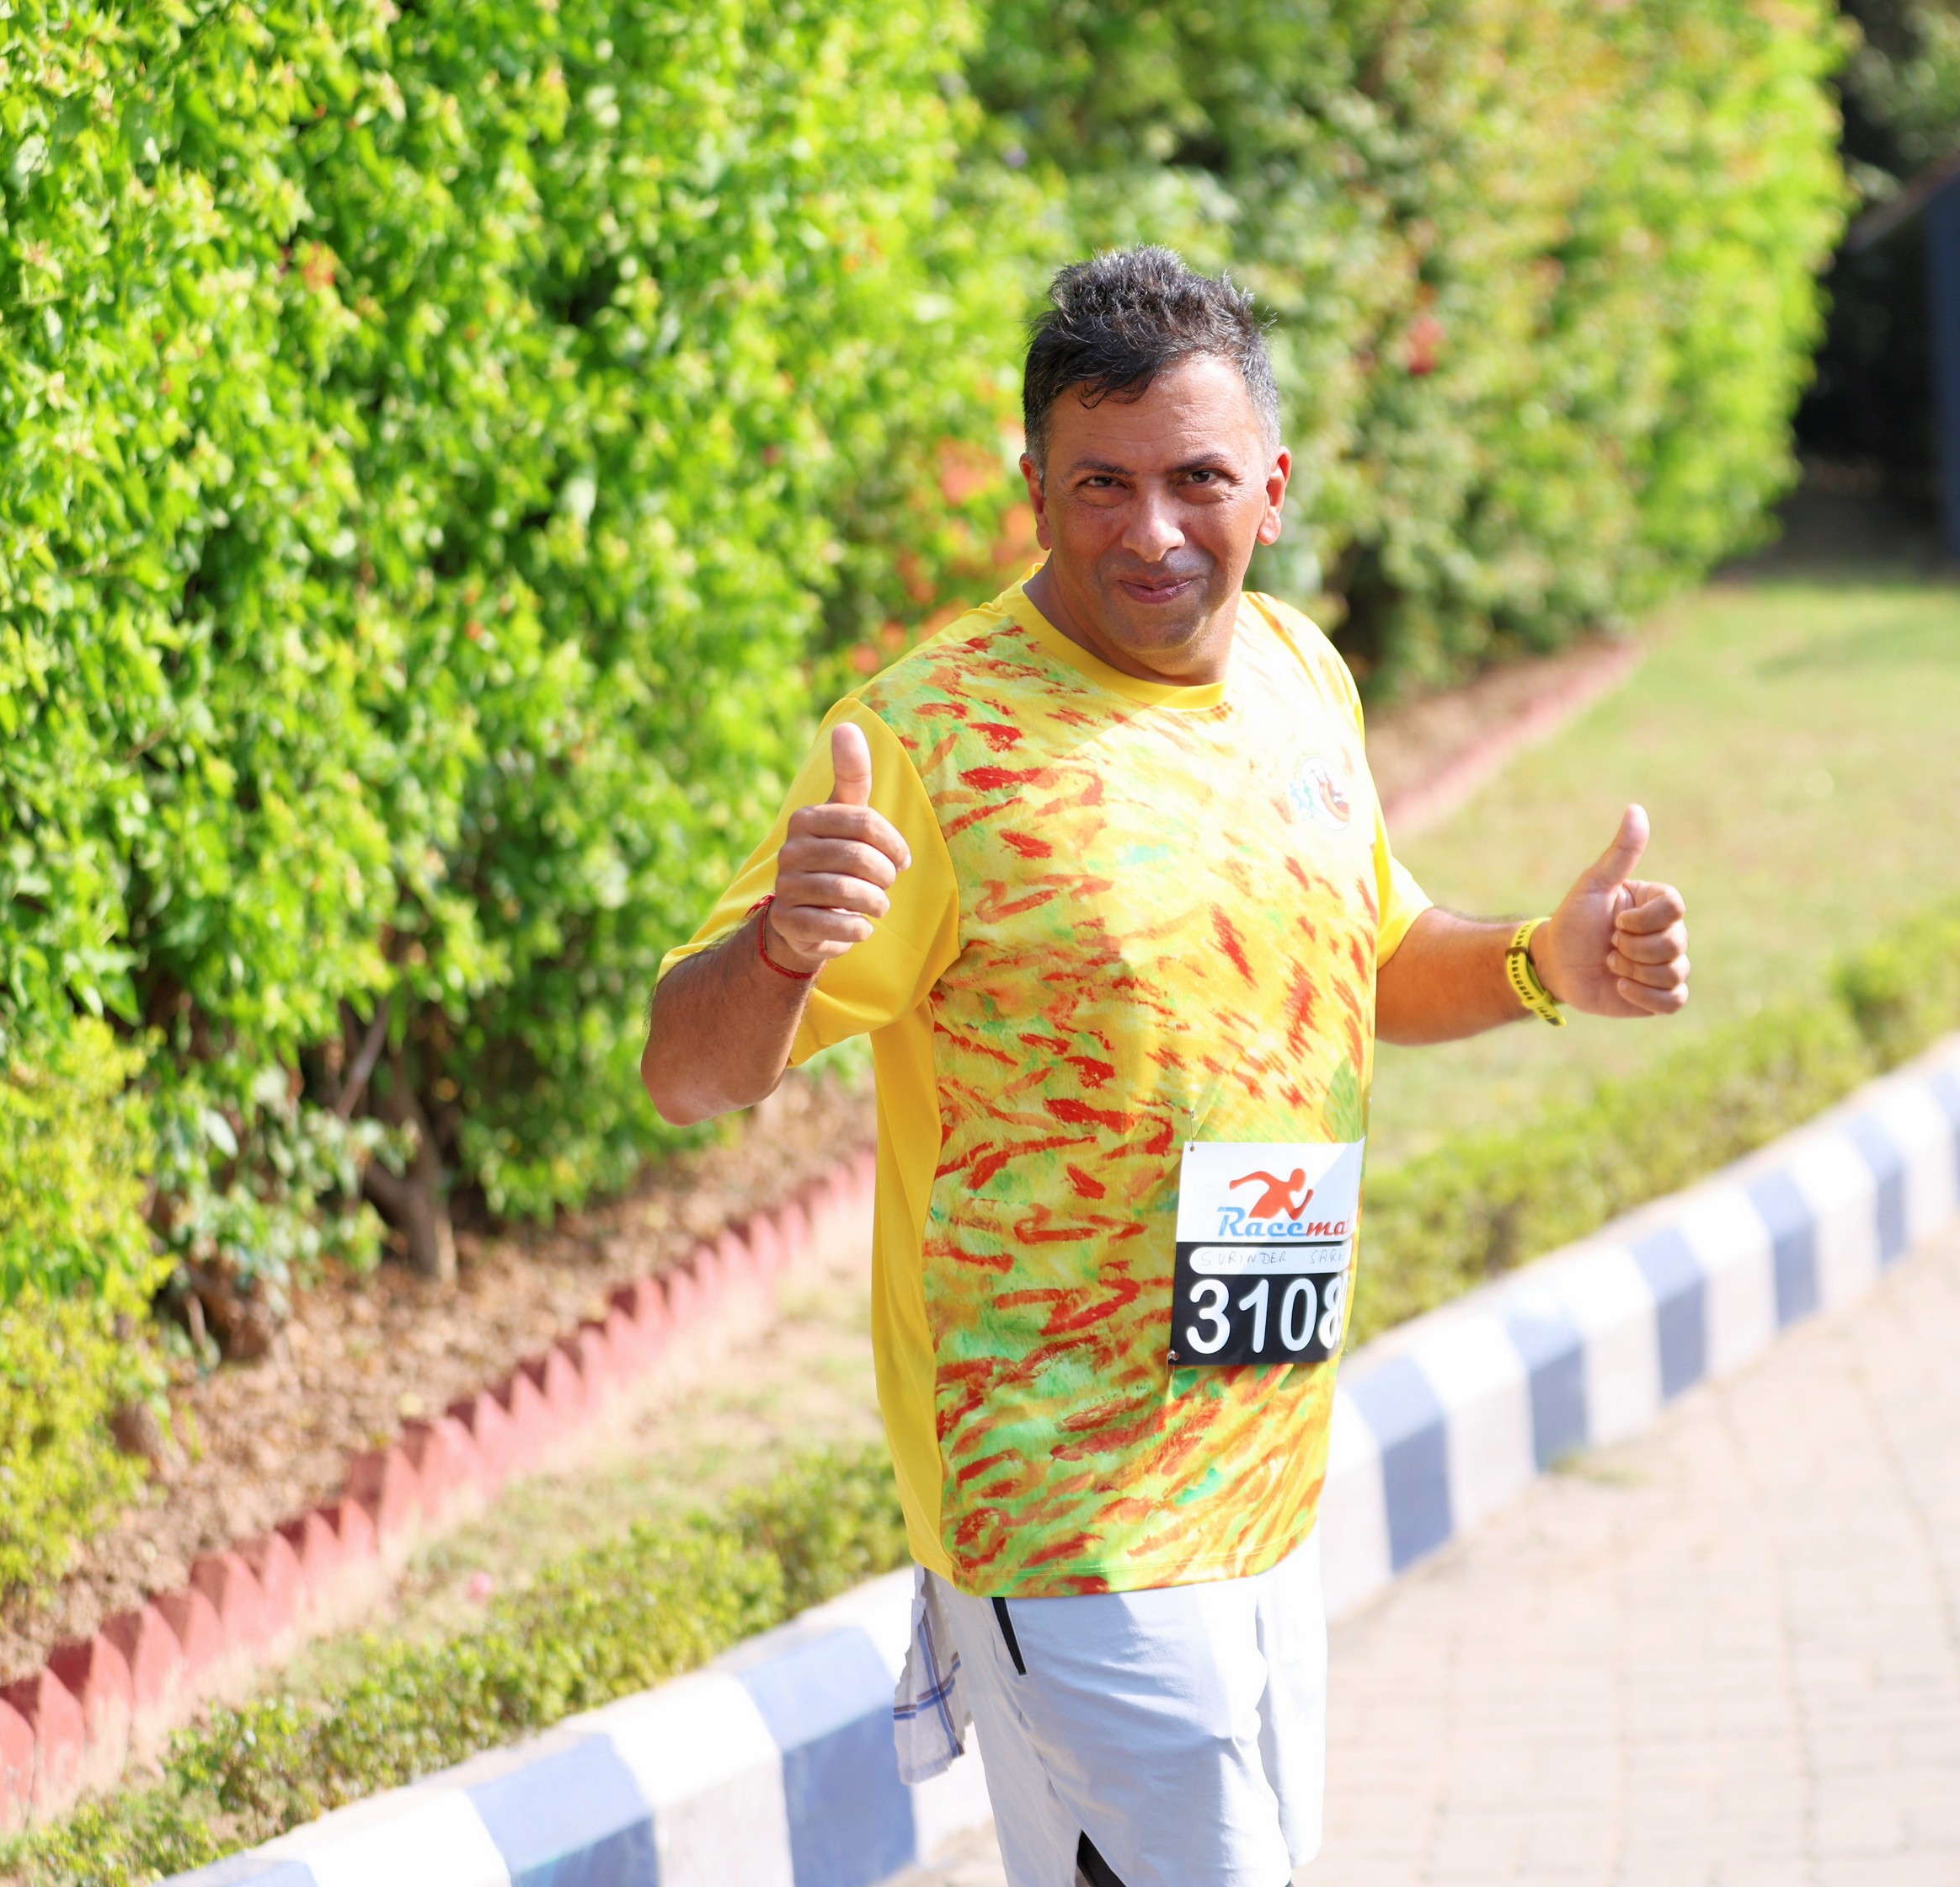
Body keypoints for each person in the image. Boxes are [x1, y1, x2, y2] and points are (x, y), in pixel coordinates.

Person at [640, 246, 1690, 1887]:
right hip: (1058, 1506)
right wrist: (781, 944)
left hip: (1263, 1480)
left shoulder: (1297, 675)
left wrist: (1537, 965)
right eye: (1100, 484)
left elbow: (1359, 961)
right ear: (1034, 491)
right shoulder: (931, 744)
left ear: (1271, 485)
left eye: (1196, 479)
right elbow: (687, 1077)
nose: (1150, 532)